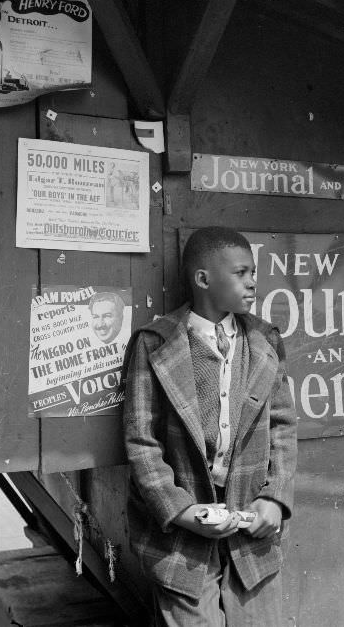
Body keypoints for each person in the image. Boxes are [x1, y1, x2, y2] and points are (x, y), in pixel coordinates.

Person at [123, 226, 297, 626]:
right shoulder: (155, 344)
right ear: (203, 279)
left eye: (253, 271)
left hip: (251, 524)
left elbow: (283, 427)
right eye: (240, 273)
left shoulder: (264, 339)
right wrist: (182, 512)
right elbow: (142, 444)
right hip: (181, 536)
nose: (253, 282)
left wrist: (274, 498)